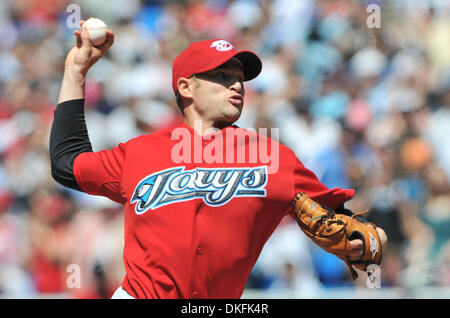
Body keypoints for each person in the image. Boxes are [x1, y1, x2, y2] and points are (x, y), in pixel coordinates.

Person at [50, 21, 386, 299]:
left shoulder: (273, 157)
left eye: (239, 77)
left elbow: (356, 230)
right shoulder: (139, 152)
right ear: (186, 87)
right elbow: (67, 163)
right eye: (222, 76)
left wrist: (365, 245)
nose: (236, 84)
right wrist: (75, 73)